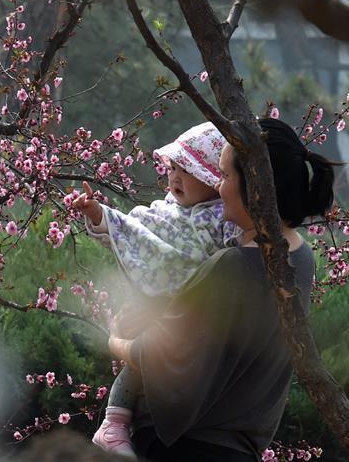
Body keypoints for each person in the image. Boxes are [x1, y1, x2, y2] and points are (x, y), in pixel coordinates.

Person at [106, 118, 336, 460]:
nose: (218, 185)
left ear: (254, 186)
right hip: (242, 447)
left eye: (225, 176)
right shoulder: (302, 259)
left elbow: (157, 355)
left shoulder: (232, 266)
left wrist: (114, 340)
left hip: (184, 446)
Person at [73, 122, 241, 457]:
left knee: (153, 361)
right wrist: (98, 214)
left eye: (187, 171)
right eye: (173, 168)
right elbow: (132, 230)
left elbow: (236, 257)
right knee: (139, 362)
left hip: (194, 317)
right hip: (155, 306)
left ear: (212, 177)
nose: (175, 177)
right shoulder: (164, 213)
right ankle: (113, 423)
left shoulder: (224, 218)